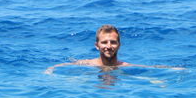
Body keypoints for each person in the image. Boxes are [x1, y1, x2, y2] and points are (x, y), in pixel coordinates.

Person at [45, 24, 183, 74]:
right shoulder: (88, 64)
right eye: (104, 42)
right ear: (97, 45)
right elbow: (63, 65)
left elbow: (149, 67)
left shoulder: (124, 66)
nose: (109, 46)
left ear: (119, 45)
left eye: (113, 42)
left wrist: (171, 69)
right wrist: (51, 69)